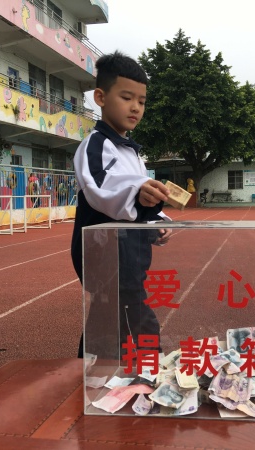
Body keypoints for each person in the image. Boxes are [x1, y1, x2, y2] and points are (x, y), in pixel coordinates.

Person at [70, 51, 171, 359]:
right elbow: (102, 188)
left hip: (129, 250)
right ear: (100, 97)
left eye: (141, 101)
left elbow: (136, 192)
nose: (135, 107)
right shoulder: (95, 145)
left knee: (108, 316)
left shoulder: (130, 151)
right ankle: (150, 366)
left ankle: (89, 370)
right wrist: (139, 193)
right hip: (106, 252)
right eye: (127, 98)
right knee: (136, 316)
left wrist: (157, 222)